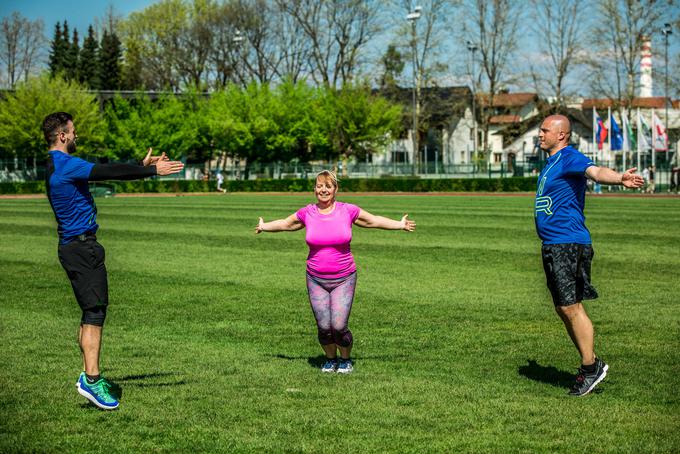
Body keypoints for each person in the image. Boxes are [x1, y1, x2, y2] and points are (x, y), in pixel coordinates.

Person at [43, 112, 184, 410]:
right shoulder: (66, 164)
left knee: (88, 310)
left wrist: (137, 166)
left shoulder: (54, 163)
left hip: (73, 247)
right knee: (95, 311)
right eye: (73, 131)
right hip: (82, 249)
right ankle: (92, 380)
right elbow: (108, 172)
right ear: (63, 135)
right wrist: (150, 172)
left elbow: (106, 170)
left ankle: (89, 375)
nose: (76, 135)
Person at [255, 170, 415, 374]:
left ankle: (345, 359)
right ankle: (330, 359)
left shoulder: (348, 211)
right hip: (315, 278)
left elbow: (373, 220)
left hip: (344, 278)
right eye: (320, 186)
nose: (323, 190)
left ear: (335, 189)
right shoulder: (307, 213)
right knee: (323, 327)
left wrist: (399, 224)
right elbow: (286, 224)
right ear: (314, 189)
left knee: (338, 326)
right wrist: (264, 226)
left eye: (328, 186)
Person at [535, 115, 644, 397]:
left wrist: (619, 178)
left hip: (567, 244)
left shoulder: (570, 157)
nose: (539, 134)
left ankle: (590, 366)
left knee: (570, 307)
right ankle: (590, 364)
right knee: (565, 307)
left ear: (561, 135)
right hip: (555, 244)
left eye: (545, 130)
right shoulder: (552, 162)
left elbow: (595, 172)